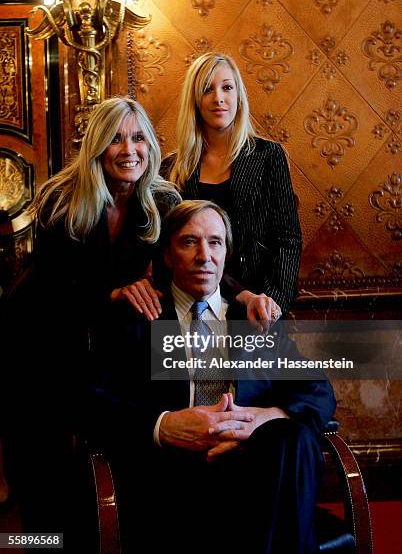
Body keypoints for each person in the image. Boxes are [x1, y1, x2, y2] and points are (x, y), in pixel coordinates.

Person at [92, 200, 336, 554]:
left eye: (215, 242)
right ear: (168, 255)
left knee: (292, 437)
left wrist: (267, 417)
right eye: (189, 242)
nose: (204, 255)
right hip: (171, 478)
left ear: (226, 252)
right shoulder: (139, 316)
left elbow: (317, 389)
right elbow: (93, 400)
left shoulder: (255, 318)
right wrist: (163, 425)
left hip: (256, 469)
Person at [3, 96, 180, 550]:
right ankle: (41, 543)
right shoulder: (62, 198)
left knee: (109, 458)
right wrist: (112, 293)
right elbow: (50, 288)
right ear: (98, 147)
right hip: (41, 340)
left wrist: (243, 294)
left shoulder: (162, 199)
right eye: (116, 139)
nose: (129, 149)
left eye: (138, 137)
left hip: (108, 347)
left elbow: (197, 260)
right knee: (39, 459)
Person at [162, 52, 302, 327]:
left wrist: (272, 304)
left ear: (239, 95)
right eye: (207, 89)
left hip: (259, 309)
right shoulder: (171, 168)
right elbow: (167, 248)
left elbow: (288, 238)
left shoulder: (267, 156)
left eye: (227, 87)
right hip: (194, 306)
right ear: (195, 100)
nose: (219, 98)